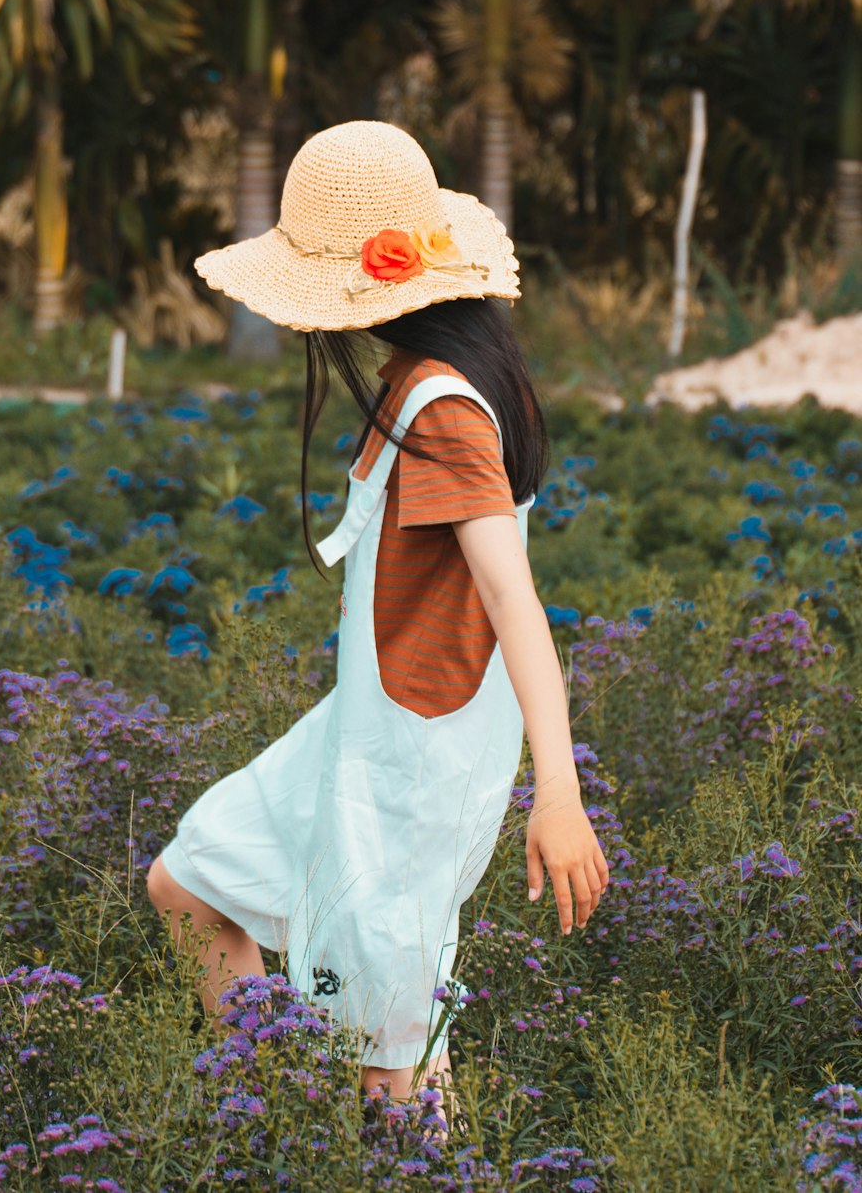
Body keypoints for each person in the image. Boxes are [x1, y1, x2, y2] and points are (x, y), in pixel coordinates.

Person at [146, 120, 610, 1139]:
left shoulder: (440, 406)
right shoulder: (428, 378)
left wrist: (560, 794)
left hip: (411, 758)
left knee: (388, 1072)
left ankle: (316, 1138)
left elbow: (514, 601)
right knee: (187, 881)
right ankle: (283, 1120)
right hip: (368, 723)